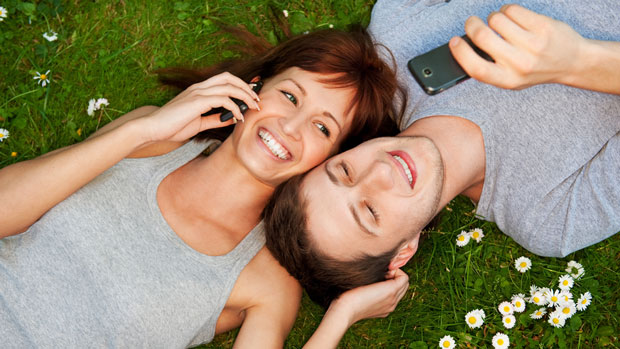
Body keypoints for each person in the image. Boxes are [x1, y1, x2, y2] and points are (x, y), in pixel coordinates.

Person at [0, 25, 403, 347]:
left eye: (321, 127)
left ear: (330, 160)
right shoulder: (150, 141)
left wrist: (341, 316)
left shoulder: (266, 279)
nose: (290, 127)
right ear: (255, 88)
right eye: (290, 96)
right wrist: (140, 132)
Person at [263, 0, 620, 346]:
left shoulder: (395, 38)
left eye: (344, 171)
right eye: (370, 212)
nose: (379, 171)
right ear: (404, 252)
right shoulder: (550, 217)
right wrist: (578, 63)